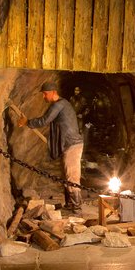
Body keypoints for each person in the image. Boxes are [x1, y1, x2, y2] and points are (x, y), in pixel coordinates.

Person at [17, 80, 84, 213]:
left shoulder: (59, 105)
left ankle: (77, 206)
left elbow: (44, 120)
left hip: (72, 145)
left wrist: (27, 122)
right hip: (69, 145)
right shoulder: (61, 104)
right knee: (67, 176)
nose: (43, 97)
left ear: (53, 92)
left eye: (45, 94)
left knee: (72, 177)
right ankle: (70, 204)